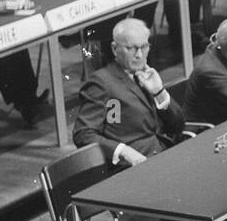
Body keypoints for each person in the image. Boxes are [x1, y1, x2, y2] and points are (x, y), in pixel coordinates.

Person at [72, 17, 186, 165]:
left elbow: (178, 125)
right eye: (131, 48)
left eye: (144, 47)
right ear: (114, 49)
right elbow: (84, 134)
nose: (139, 55)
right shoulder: (102, 83)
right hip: (133, 166)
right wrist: (123, 151)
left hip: (163, 153)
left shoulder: (147, 76)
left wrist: (159, 92)